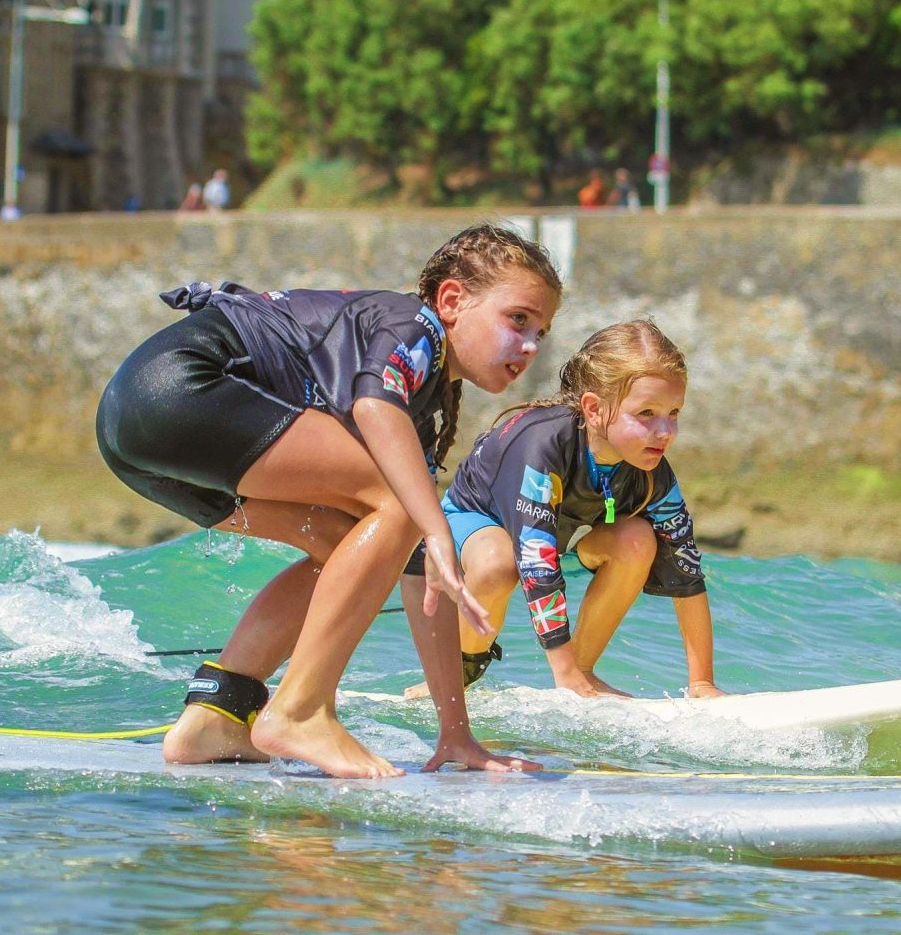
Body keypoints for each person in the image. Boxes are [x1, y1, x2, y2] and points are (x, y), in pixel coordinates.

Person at [94, 223, 562, 778]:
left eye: (541, 330)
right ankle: (299, 711)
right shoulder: (413, 327)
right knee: (401, 507)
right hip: (180, 388)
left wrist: (456, 735)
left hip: (135, 434)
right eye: (518, 319)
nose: (530, 346)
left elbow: (419, 576)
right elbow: (374, 410)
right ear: (453, 301)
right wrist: (435, 527)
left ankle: (217, 716)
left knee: (345, 543)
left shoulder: (427, 399)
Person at [408, 319, 724, 700]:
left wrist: (702, 683)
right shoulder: (543, 447)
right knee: (499, 564)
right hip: (473, 526)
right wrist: (562, 671)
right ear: (594, 409)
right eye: (646, 414)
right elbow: (535, 561)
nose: (665, 431)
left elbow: (687, 576)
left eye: (674, 413)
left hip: (553, 542)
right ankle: (457, 676)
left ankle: (583, 675)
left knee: (637, 540)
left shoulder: (650, 472)